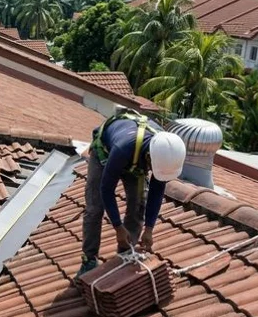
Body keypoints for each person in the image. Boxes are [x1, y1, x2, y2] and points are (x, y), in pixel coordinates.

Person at [77, 109, 187, 277]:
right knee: (95, 208)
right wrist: (118, 227)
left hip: (135, 160)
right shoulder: (123, 148)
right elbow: (106, 189)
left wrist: (149, 228)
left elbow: (156, 192)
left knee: (137, 205)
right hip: (105, 153)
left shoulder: (165, 154)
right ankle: (89, 259)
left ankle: (126, 254)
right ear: (149, 156)